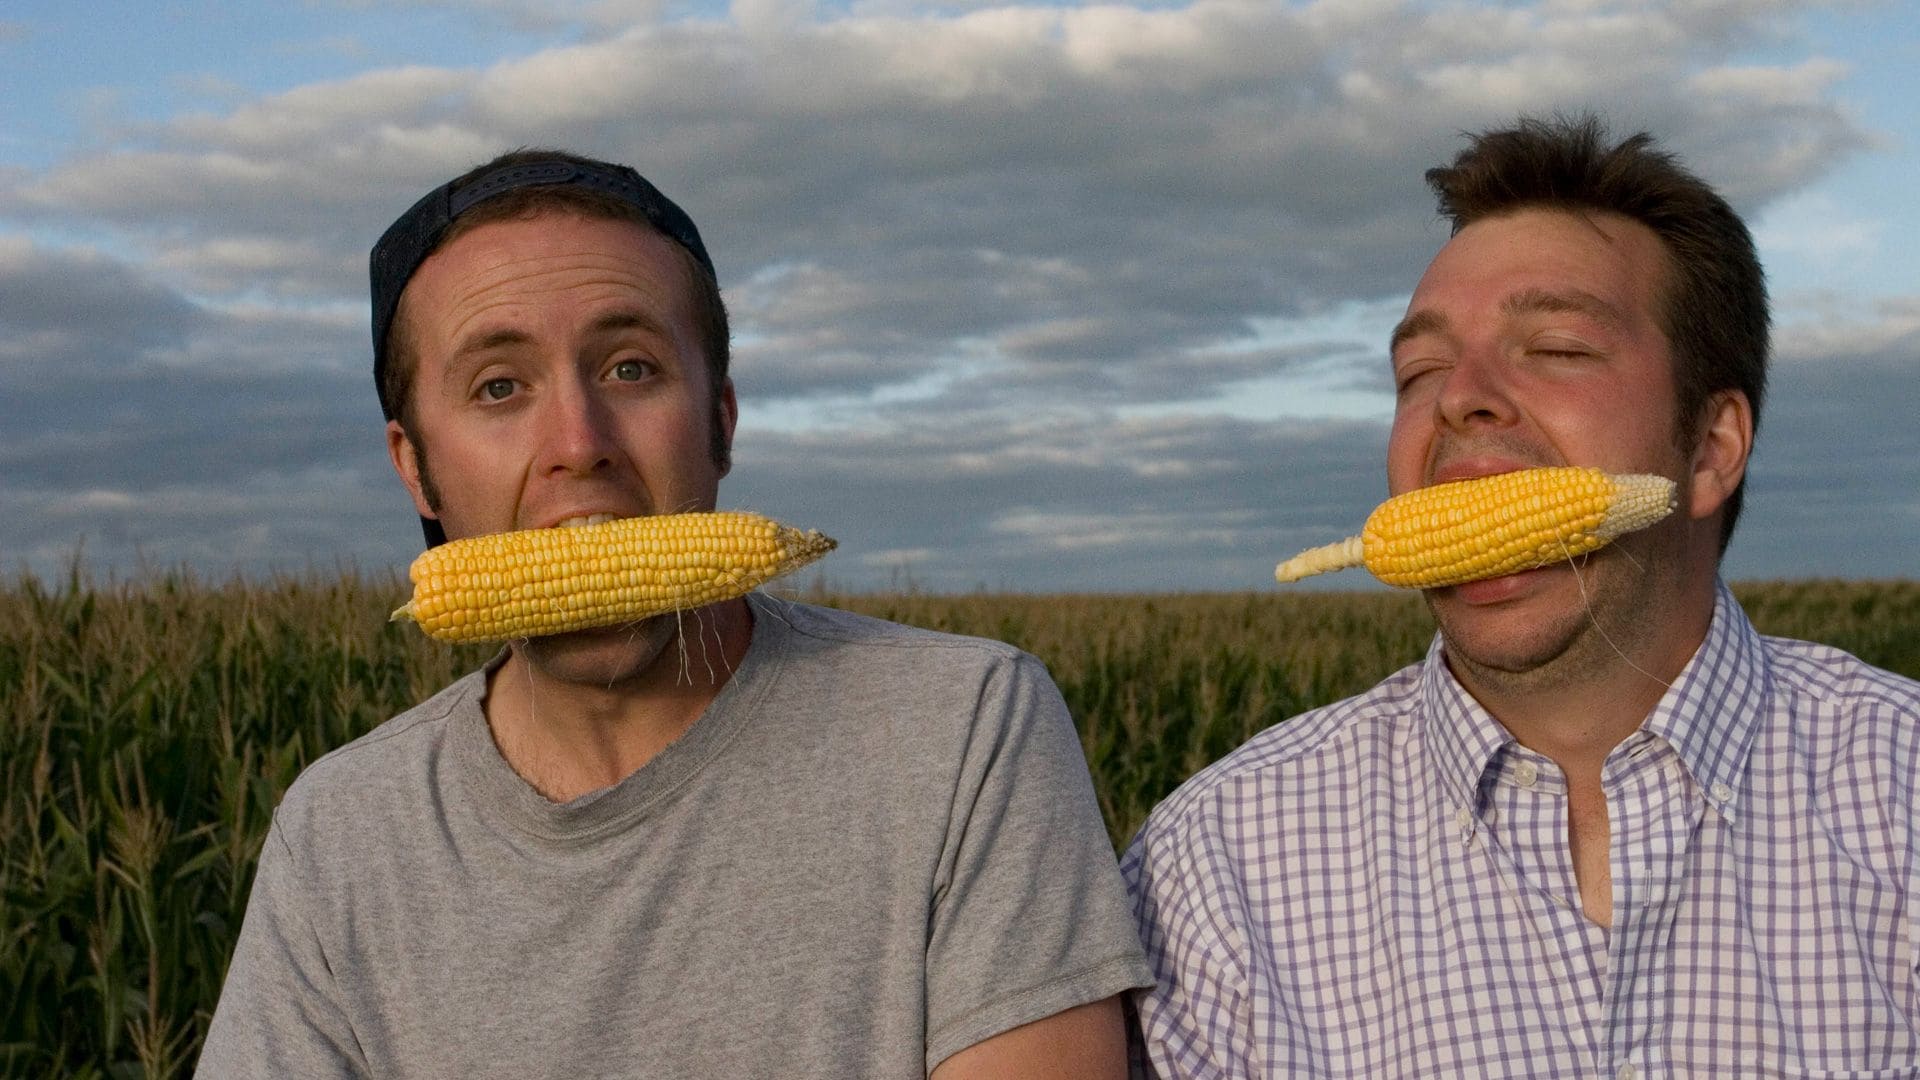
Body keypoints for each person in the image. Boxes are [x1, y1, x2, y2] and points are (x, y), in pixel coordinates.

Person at [197, 149, 1151, 1078]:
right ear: (417, 469)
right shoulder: (341, 835)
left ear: (721, 423)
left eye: (631, 370)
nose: (579, 443)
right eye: (499, 388)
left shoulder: (962, 729)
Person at [1123, 114, 1920, 1078]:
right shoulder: (1216, 866)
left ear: (1712, 450)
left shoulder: (1900, 796)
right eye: (1419, 370)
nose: (1461, 397)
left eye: (1556, 347)